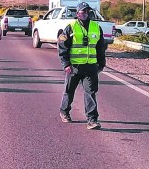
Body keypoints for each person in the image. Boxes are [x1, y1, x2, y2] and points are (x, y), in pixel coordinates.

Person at [57, 2, 105, 130]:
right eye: (82, 11)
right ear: (77, 13)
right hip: (74, 67)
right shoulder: (71, 26)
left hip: (90, 67)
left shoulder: (96, 26)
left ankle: (92, 119)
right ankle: (64, 112)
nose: (84, 13)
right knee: (69, 91)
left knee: (91, 93)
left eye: (86, 11)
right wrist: (66, 64)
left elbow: (100, 47)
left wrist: (101, 64)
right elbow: (62, 46)